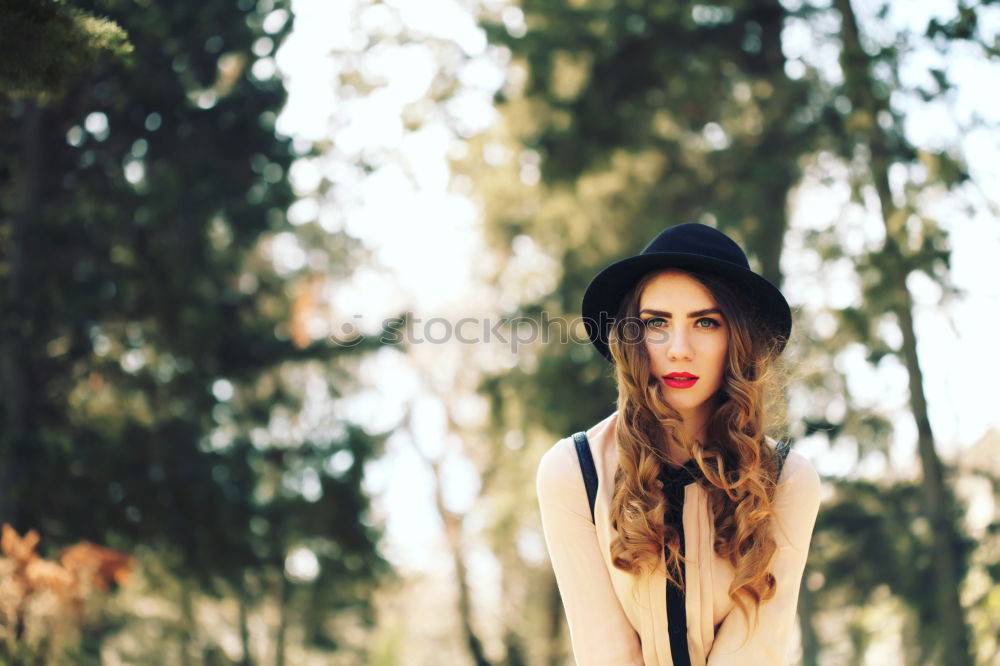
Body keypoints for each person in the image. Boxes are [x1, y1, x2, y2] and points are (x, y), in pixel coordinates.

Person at [536, 222, 821, 666]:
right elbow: (605, 650)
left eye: (706, 322)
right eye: (656, 323)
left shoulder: (788, 479)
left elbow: (756, 649)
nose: (680, 349)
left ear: (739, 338)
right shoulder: (573, 471)